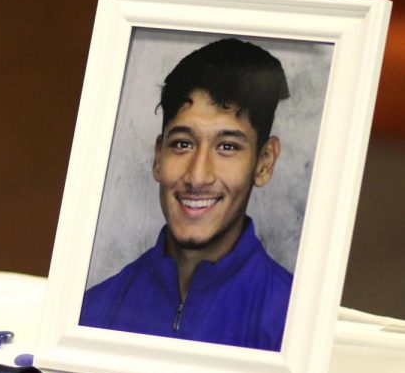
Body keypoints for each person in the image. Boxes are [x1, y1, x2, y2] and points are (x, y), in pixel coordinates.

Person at [79, 38, 293, 352]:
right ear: (158, 156)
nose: (197, 176)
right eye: (182, 144)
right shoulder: (94, 310)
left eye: (227, 147)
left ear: (264, 162)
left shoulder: (290, 319)